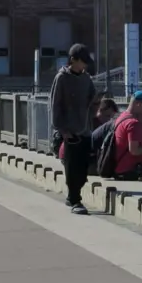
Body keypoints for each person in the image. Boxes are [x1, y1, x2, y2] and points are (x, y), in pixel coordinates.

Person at [49, 44, 98, 215]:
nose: (84, 66)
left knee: (84, 168)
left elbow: (92, 97)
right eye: (82, 62)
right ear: (73, 60)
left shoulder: (86, 78)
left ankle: (75, 195)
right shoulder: (61, 78)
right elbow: (55, 106)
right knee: (73, 167)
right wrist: (62, 130)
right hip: (69, 131)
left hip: (85, 129)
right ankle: (74, 198)